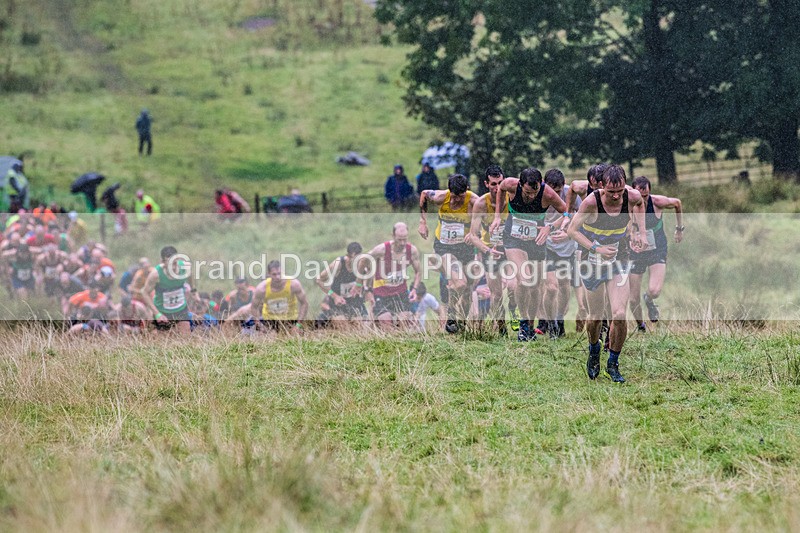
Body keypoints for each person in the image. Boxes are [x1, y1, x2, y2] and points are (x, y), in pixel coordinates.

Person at [567, 164, 646, 383]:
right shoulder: (592, 202)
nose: (615, 196)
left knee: (619, 314)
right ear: (602, 187)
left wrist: (641, 232)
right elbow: (571, 231)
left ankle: (613, 363)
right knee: (595, 316)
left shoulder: (632, 196)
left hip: (619, 260)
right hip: (591, 261)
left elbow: (640, 204)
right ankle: (594, 350)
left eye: (619, 192)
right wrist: (596, 248)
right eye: (611, 192)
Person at [489, 168, 567, 341]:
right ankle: (524, 323)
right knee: (524, 279)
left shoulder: (548, 193)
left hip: (536, 241)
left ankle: (530, 325)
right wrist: (497, 216)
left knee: (535, 285)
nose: (532, 196)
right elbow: (500, 189)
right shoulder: (510, 184)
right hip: (513, 239)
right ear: (520, 185)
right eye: (527, 192)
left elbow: (567, 212)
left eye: (535, 192)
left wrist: (550, 227)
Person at [419, 173, 478, 333]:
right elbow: (424, 193)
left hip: (465, 248)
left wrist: (473, 232)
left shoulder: (474, 201)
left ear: (467, 190)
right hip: (444, 247)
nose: (456, 200)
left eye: (460, 197)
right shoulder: (441, 197)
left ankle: (460, 323)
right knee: (460, 283)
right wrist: (422, 222)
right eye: (453, 196)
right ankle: (451, 312)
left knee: (467, 291)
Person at [628, 176, 684, 330]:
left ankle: (649, 299)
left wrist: (679, 229)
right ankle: (641, 325)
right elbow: (625, 226)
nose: (642, 200)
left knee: (655, 290)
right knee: (633, 300)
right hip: (636, 252)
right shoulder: (628, 205)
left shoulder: (658, 202)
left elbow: (677, 203)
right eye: (640, 196)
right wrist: (632, 237)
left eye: (645, 195)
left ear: (649, 192)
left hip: (657, 248)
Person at [467, 164, 515, 336]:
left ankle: (514, 309)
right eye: (493, 184)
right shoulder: (481, 204)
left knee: (513, 286)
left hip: (511, 248)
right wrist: (487, 250)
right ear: (486, 184)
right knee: (496, 295)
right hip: (491, 251)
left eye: (500, 183)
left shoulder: (512, 198)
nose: (497, 188)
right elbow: (472, 235)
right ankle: (502, 328)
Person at [541, 168, 585, 339]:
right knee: (551, 287)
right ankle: (550, 323)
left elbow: (582, 218)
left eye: (559, 191)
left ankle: (559, 319)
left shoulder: (572, 196)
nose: (556, 194)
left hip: (567, 246)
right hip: (547, 246)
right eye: (553, 191)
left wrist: (567, 234)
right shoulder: (539, 196)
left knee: (565, 285)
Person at [365, 222, 422, 329]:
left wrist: (414, 289)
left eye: (405, 239)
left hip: (401, 293)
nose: (402, 242)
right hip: (381, 294)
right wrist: (367, 289)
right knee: (387, 324)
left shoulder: (412, 251)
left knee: (404, 323)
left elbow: (418, 272)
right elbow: (364, 262)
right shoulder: (381, 250)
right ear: (393, 236)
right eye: (399, 239)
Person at [236, 260, 309, 333]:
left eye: (279, 273)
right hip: (270, 322)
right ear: (269, 274)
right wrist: (260, 326)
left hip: (291, 321)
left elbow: (304, 303)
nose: (277, 277)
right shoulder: (262, 288)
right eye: (274, 274)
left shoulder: (293, 284)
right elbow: (254, 307)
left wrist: (298, 325)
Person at [315, 242, 368, 327]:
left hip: (355, 302)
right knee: (343, 326)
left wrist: (364, 289)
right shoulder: (339, 263)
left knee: (362, 325)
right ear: (350, 256)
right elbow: (319, 280)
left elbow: (369, 280)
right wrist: (334, 296)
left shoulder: (362, 264)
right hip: (338, 303)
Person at [142, 245, 192, 333]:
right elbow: (144, 293)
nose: (173, 268)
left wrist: (194, 290)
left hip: (181, 308)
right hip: (163, 311)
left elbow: (191, 276)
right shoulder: (155, 275)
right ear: (163, 262)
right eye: (169, 264)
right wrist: (157, 313)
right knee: (165, 343)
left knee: (186, 338)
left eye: (175, 263)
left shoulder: (185, 267)